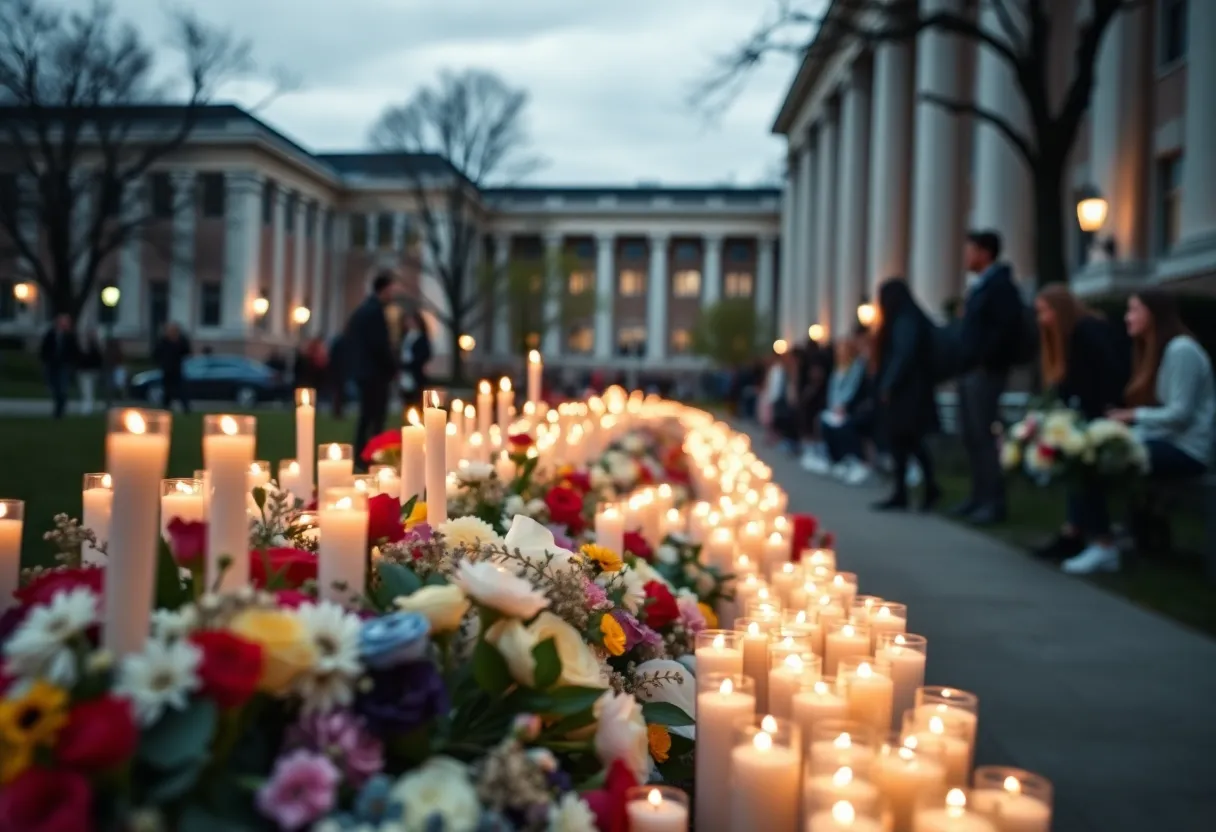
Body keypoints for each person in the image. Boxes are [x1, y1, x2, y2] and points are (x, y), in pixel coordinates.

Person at [1060, 290, 1216, 574]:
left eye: (1133, 310)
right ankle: (1092, 537)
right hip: (1162, 441)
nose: (1126, 317)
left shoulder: (1181, 350)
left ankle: (1104, 546)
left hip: (1186, 450)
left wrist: (1131, 416)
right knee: (1085, 450)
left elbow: (1179, 415)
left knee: (1095, 459)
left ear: (1153, 313)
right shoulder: (1154, 351)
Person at [1031, 286, 1131, 561]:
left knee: (1083, 462)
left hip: (1105, 416)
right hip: (1088, 416)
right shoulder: (1069, 337)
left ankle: (1097, 537)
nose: (1042, 319)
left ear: (1060, 309)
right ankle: (1073, 530)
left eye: (1045, 311)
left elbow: (1105, 378)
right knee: (1072, 458)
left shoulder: (1086, 332)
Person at [954, 230, 1025, 525]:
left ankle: (993, 502)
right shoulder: (981, 287)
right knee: (971, 435)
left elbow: (1003, 329)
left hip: (986, 372)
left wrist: (983, 360)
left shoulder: (1000, 286)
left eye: (970, 251)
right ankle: (978, 496)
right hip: (971, 370)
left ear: (985, 253)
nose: (966, 258)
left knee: (984, 436)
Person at [871, 278, 941, 511]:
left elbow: (903, 355)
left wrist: (888, 384)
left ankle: (926, 488)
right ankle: (906, 491)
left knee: (909, 441)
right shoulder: (908, 318)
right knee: (904, 443)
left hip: (908, 393)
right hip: (909, 391)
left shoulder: (905, 320)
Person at [345, 272, 399, 467]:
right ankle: (371, 454)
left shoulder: (361, 311)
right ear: (384, 289)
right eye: (392, 289)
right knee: (375, 417)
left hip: (363, 372)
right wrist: (393, 367)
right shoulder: (375, 312)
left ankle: (362, 453)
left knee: (366, 416)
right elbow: (380, 345)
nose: (393, 294)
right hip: (376, 374)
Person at [820, 331, 876, 485]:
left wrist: (844, 406)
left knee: (847, 425)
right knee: (826, 422)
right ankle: (838, 459)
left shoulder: (860, 366)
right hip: (846, 407)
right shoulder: (840, 369)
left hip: (860, 409)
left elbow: (855, 390)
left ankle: (857, 460)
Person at [40, 314, 78, 419]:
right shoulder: (51, 334)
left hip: (64, 365)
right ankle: (58, 409)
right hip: (52, 364)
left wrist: (71, 363)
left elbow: (74, 351)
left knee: (62, 388)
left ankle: (59, 411)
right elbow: (44, 348)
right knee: (54, 387)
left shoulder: (70, 336)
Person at [398, 310, 433, 409]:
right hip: (404, 374)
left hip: (416, 373)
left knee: (417, 400)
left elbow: (425, 354)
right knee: (407, 400)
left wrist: (411, 364)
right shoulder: (405, 336)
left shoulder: (421, 337)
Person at [154, 323, 192, 411]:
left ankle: (186, 408)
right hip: (167, 370)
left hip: (177, 369)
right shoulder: (163, 342)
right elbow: (156, 354)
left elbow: (186, 351)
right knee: (167, 391)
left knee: (182, 390)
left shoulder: (181, 341)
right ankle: (166, 407)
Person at [76, 330, 103, 414]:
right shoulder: (84, 347)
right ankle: (87, 408)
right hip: (85, 372)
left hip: (91, 371)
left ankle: (88, 407)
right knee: (87, 391)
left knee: (89, 391)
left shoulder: (94, 348)